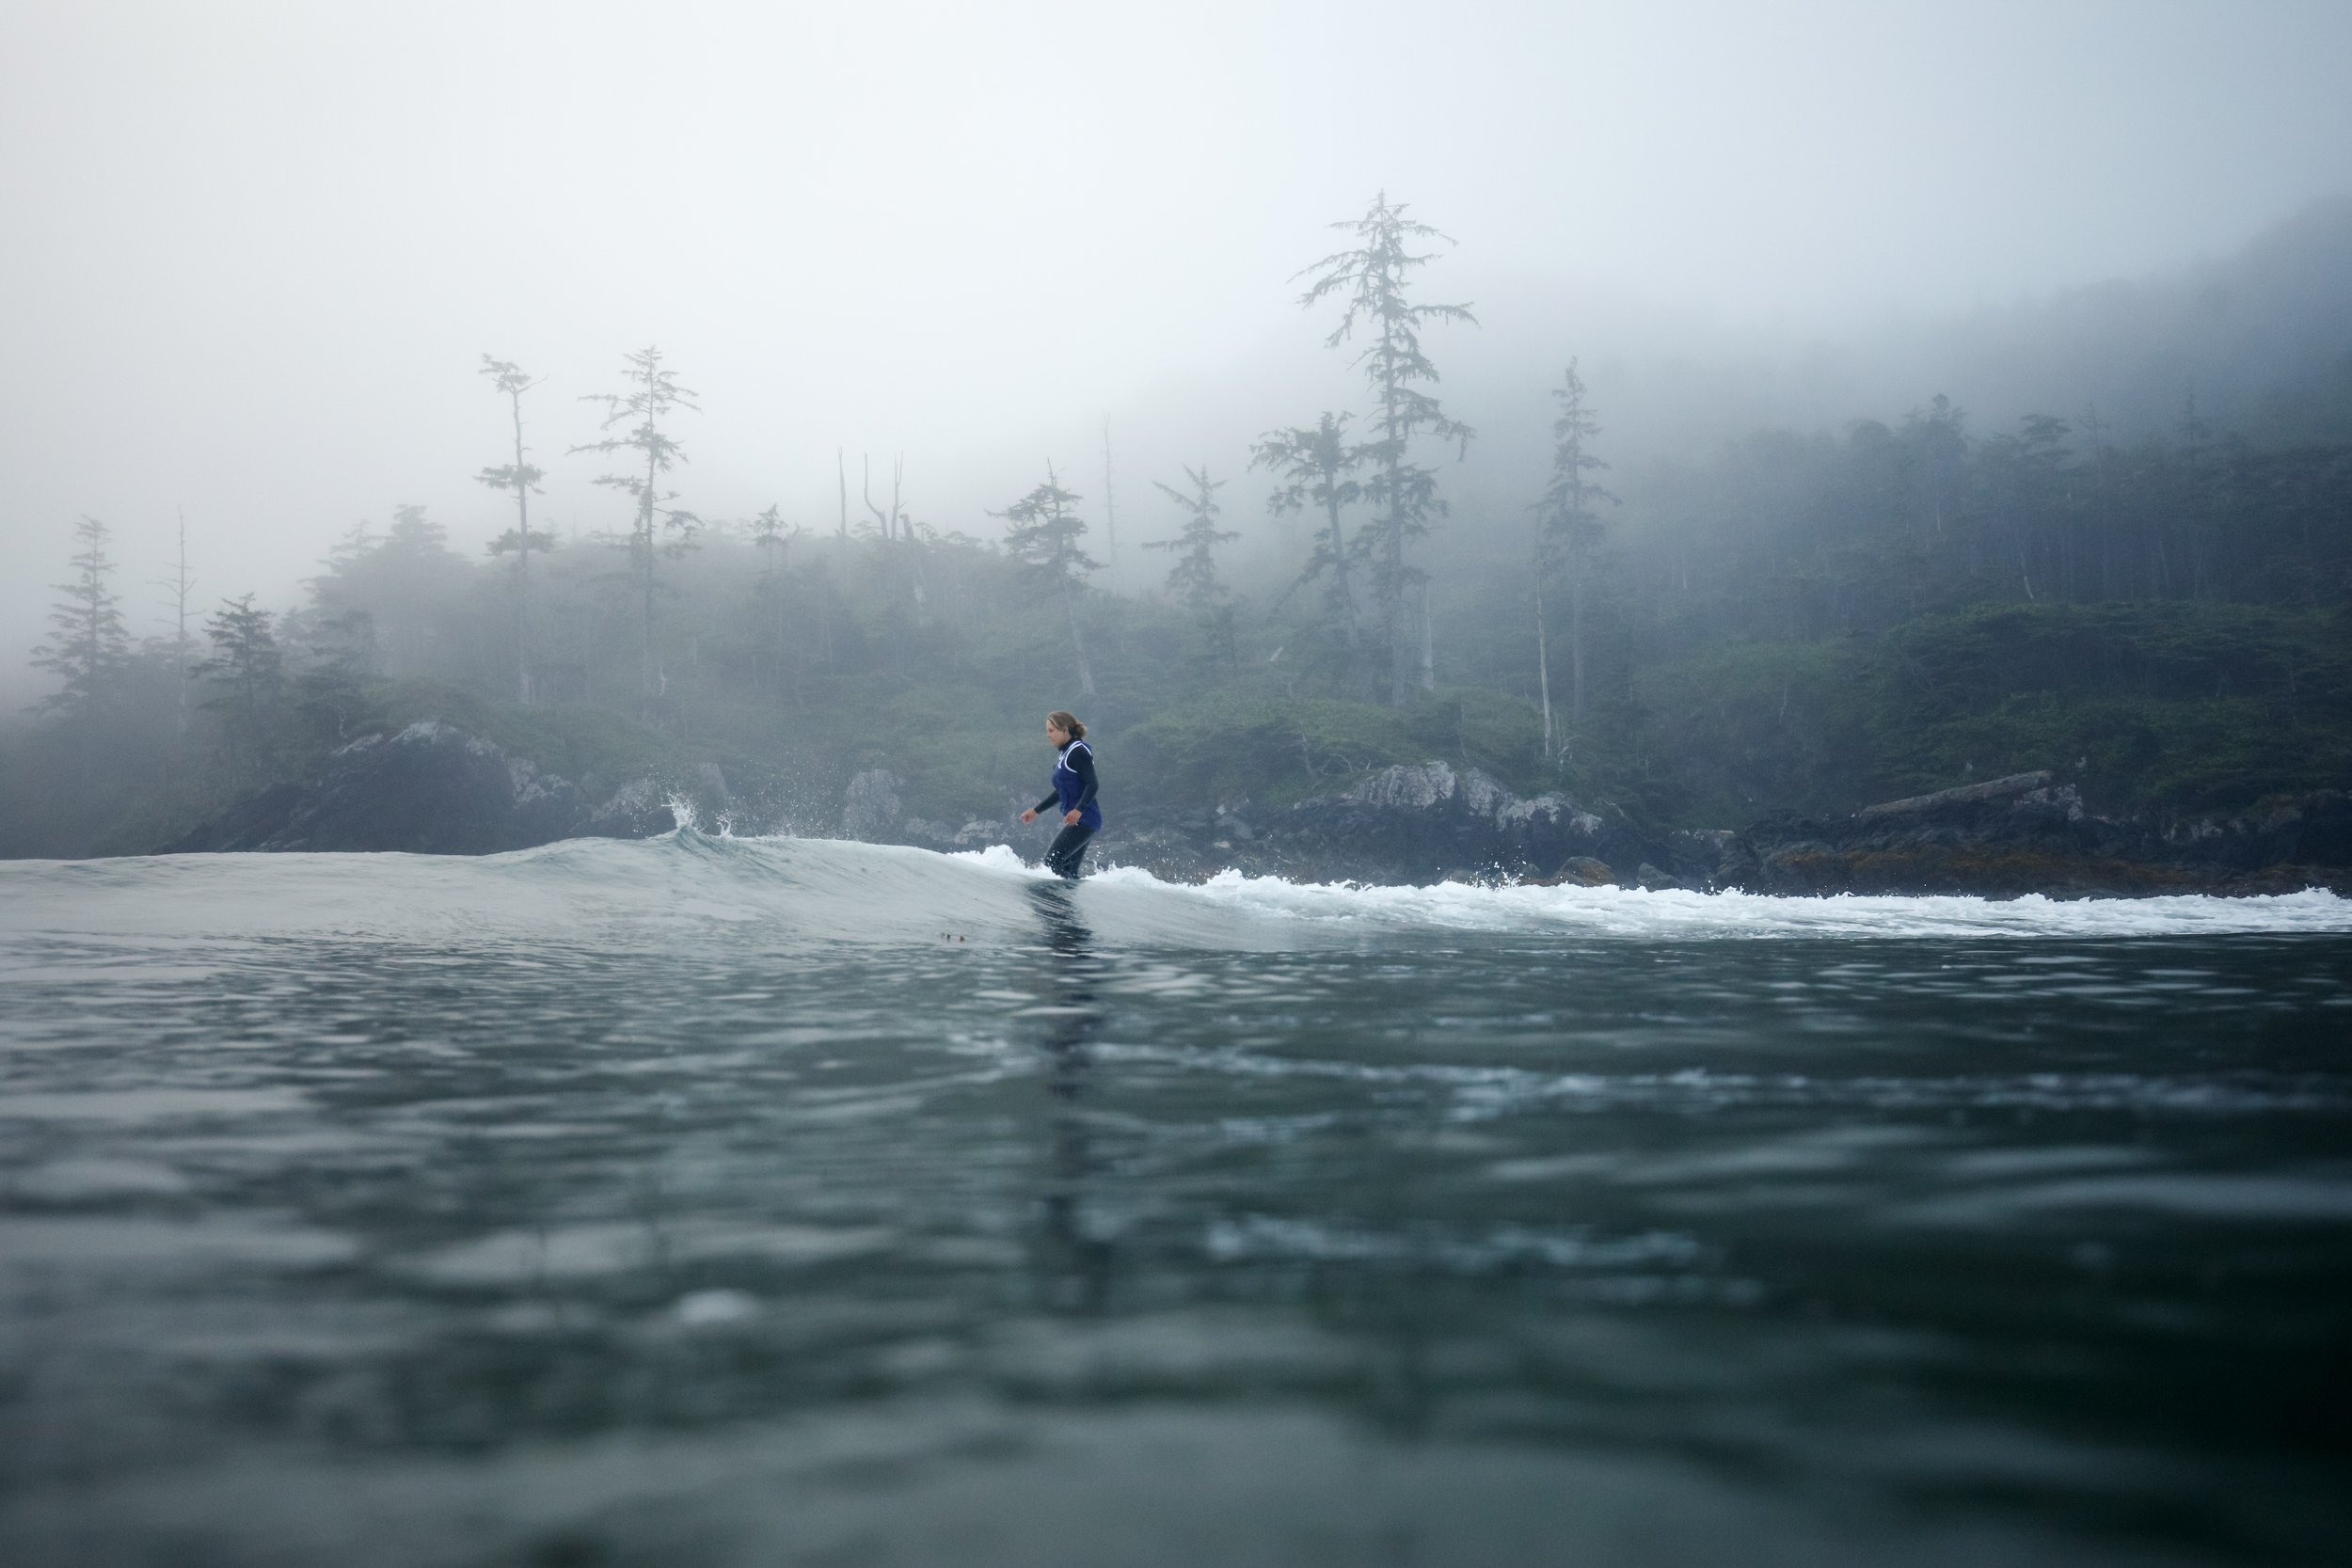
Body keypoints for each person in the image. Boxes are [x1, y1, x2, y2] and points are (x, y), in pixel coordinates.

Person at [1020, 710, 1101, 879]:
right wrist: (1036, 811)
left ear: (1065, 730)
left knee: (1051, 864)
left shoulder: (1078, 751)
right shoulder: (1065, 753)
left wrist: (1078, 810)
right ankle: (1064, 906)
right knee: (1068, 873)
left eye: (1051, 730)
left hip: (1084, 820)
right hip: (1082, 821)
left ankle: (1052, 905)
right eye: (1047, 730)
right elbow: (1061, 791)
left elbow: (1092, 783)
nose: (1048, 735)